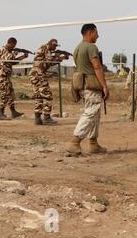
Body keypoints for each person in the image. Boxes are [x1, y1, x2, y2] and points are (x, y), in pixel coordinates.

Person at [66, 24, 108, 154]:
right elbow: (97, 67)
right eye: (96, 33)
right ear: (89, 33)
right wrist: (104, 86)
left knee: (95, 114)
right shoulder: (91, 47)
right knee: (91, 113)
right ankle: (75, 141)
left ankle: (93, 143)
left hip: (82, 86)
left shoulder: (78, 48)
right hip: (91, 86)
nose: (98, 36)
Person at [30, 39, 70, 125]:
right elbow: (49, 61)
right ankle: (47, 117)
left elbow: (48, 62)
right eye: (54, 46)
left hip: (34, 74)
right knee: (48, 95)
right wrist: (60, 57)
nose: (55, 48)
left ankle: (38, 118)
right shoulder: (45, 49)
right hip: (39, 74)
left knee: (38, 96)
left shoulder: (43, 48)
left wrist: (59, 57)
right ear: (51, 44)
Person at [0, 37, 28, 120]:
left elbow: (12, 62)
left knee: (11, 93)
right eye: (14, 45)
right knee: (5, 93)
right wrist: (16, 52)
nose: (14, 47)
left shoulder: (9, 52)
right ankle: (0, 113)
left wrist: (23, 57)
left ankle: (13, 112)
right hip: (2, 75)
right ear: (11, 43)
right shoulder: (3, 49)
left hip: (6, 75)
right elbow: (8, 58)